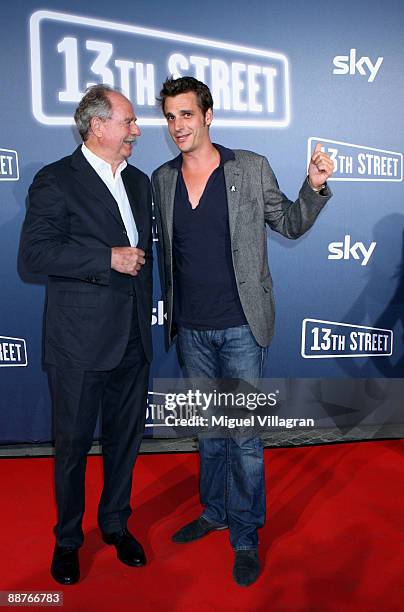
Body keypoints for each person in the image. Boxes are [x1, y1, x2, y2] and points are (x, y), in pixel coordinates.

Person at [152, 76, 333, 587]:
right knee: (209, 434)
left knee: (246, 439)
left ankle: (247, 534)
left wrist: (314, 186)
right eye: (169, 117)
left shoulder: (249, 168)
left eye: (186, 114)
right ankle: (214, 513)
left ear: (208, 115)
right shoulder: (162, 178)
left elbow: (291, 223)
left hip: (241, 328)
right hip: (191, 330)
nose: (177, 126)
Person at [20, 85, 153, 585]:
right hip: (78, 343)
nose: (137, 130)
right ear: (98, 126)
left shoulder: (138, 182)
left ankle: (116, 524)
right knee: (73, 446)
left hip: (134, 337)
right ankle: (69, 540)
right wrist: (105, 258)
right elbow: (33, 256)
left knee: (124, 442)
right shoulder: (56, 180)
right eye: (130, 121)